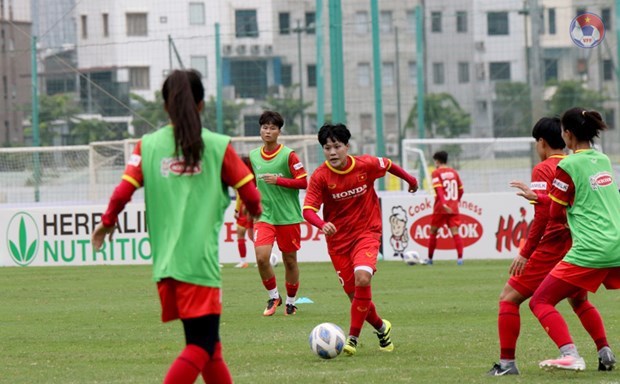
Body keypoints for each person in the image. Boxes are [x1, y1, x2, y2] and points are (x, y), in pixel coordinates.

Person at [91, 69, 262, 384]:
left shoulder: (148, 145)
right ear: (201, 104)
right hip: (199, 265)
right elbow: (250, 191)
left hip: (167, 264)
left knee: (212, 350)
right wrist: (254, 212)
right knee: (201, 346)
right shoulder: (217, 145)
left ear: (166, 105)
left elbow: (123, 191)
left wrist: (106, 223)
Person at [487, 117, 615, 375]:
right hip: (582, 243)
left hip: (554, 246)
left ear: (542, 142)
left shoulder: (548, 168)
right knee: (578, 300)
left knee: (510, 299)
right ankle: (604, 351)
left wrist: (525, 252)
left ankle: (508, 363)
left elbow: (545, 217)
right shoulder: (596, 162)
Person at [302, 123, 419, 356]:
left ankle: (352, 338)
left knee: (363, 278)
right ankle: (381, 327)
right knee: (355, 296)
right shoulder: (320, 177)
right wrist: (322, 224)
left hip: (367, 232)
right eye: (327, 148)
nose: (332, 152)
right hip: (338, 242)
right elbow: (307, 210)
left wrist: (411, 180)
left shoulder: (365, 165)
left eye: (336, 146)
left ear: (347, 146)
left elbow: (388, 164)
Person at [529, 107, 620, 372]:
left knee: (540, 301)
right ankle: (605, 353)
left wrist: (546, 200)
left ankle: (569, 353)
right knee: (578, 299)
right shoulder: (602, 160)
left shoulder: (567, 165)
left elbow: (556, 214)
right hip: (616, 243)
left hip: (591, 248)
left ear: (568, 135)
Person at [250, 110, 308, 316]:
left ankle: (291, 302)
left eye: (272, 128)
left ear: (279, 132)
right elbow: (251, 183)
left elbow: (303, 182)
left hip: (287, 216)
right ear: (260, 130)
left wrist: (279, 180)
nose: (268, 131)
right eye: (264, 127)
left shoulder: (289, 155)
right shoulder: (253, 155)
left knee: (290, 260)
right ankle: (274, 296)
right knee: (262, 258)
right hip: (264, 215)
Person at [427, 151, 464, 265]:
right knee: (455, 232)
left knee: (433, 231)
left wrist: (444, 204)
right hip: (453, 207)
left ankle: (430, 259)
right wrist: (455, 202)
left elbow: (439, 190)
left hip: (441, 207)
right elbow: (461, 190)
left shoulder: (436, 173)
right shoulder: (454, 173)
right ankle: (460, 259)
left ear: (437, 161)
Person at [234, 156, 255, 268]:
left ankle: (243, 261)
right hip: (253, 204)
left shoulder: (242, 175)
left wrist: (237, 209)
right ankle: (268, 257)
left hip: (245, 206)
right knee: (252, 234)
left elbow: (239, 194)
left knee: (242, 233)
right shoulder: (253, 174)